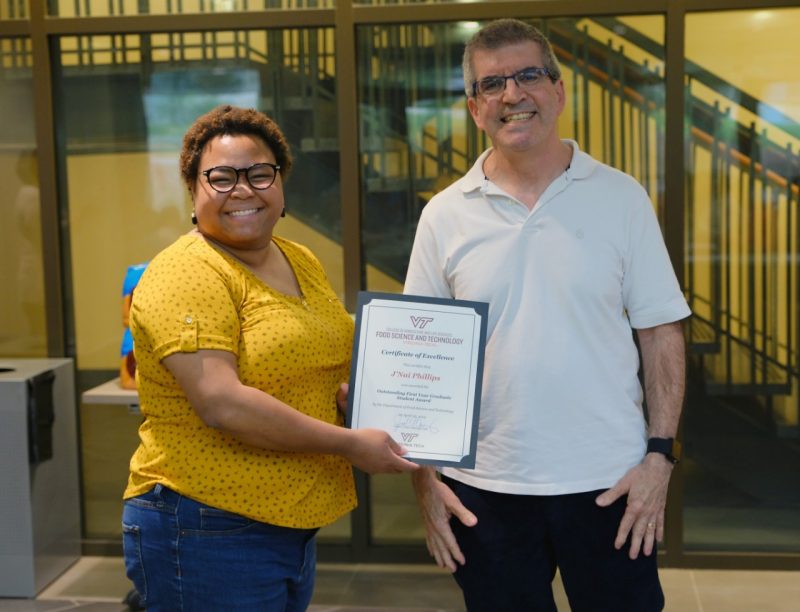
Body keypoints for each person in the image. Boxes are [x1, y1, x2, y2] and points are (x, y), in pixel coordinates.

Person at [404, 19, 691, 612]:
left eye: (528, 75)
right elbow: (420, 357)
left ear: (559, 92)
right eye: (493, 84)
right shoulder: (444, 215)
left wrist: (660, 456)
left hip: (611, 481)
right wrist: (424, 480)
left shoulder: (621, 198)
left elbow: (660, 330)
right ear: (475, 107)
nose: (513, 95)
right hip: (483, 488)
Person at [122, 104, 418, 612]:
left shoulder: (297, 257)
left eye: (260, 174)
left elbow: (325, 355)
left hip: (285, 525)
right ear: (193, 189)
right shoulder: (188, 272)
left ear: (280, 185)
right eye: (221, 177)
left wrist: (359, 398)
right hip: (206, 525)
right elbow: (223, 403)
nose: (243, 189)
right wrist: (349, 443)